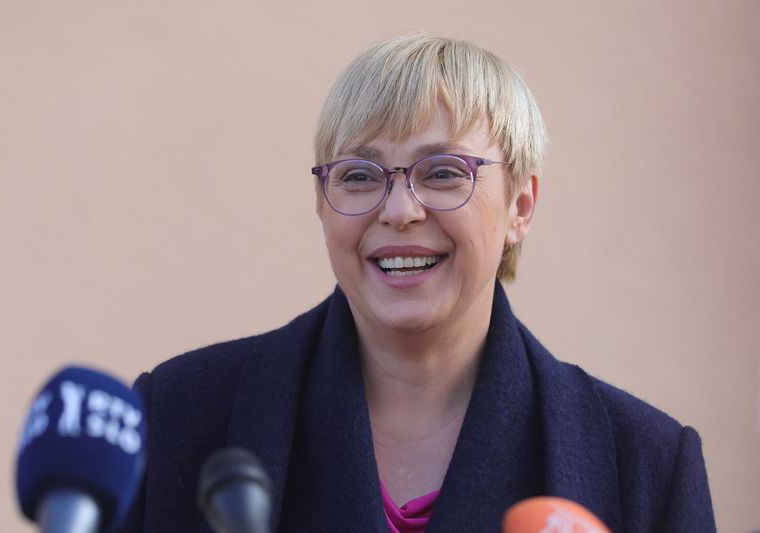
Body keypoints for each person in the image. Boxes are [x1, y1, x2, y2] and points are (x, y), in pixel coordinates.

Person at [118, 34, 715, 532]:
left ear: (521, 206)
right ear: (322, 206)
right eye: (358, 175)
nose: (400, 209)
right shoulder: (175, 415)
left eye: (443, 172)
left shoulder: (648, 466)